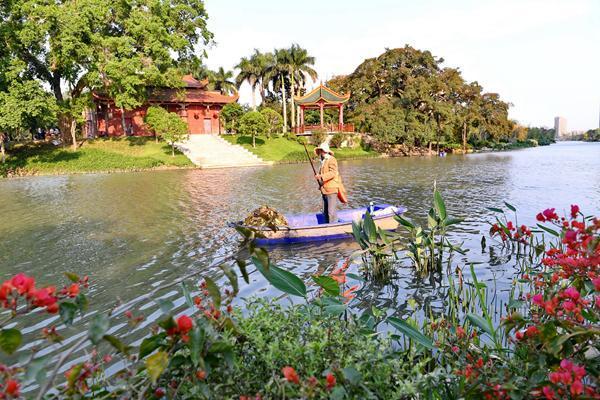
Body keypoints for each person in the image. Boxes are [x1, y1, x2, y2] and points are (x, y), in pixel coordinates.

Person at [314, 142, 341, 224]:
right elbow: (323, 175)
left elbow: (333, 173)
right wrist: (320, 180)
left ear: (325, 151)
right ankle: (326, 227)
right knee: (325, 212)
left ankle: (333, 228)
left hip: (331, 190)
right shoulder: (323, 161)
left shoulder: (332, 159)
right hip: (324, 190)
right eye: (320, 151)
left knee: (331, 212)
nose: (321, 153)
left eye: (321, 151)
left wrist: (321, 176)